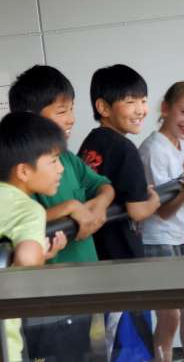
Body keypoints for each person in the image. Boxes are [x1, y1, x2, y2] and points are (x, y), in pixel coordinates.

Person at [8, 65, 115, 362]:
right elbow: (25, 221)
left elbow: (103, 186)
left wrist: (97, 207)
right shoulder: (19, 174)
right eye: (62, 111)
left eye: (72, 109)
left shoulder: (66, 158)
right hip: (48, 299)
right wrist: (71, 208)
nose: (71, 118)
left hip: (86, 286)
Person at [78, 64, 160, 361]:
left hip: (97, 261)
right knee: (130, 347)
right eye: (130, 101)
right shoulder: (125, 148)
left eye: (143, 100)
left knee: (104, 345)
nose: (141, 109)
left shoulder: (90, 144)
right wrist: (154, 200)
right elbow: (137, 210)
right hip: (125, 268)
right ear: (103, 107)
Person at [139, 81, 184, 362]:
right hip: (158, 239)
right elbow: (164, 211)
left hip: (182, 236)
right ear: (165, 109)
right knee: (169, 315)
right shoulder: (153, 149)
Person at [0, 112, 67, 362]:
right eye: (54, 161)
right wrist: (41, 255)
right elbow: (27, 261)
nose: (61, 169)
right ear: (24, 171)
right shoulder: (27, 209)